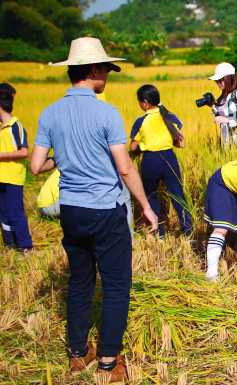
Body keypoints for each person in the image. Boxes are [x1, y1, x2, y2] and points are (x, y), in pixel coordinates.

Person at [30, 37, 158, 384]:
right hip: (105, 210)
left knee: (81, 280)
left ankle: (76, 354)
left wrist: (66, 157)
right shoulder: (106, 113)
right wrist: (146, 206)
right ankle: (108, 361)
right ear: (94, 70)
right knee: (116, 285)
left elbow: (36, 165)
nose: (109, 74)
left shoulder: (49, 113)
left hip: (71, 211)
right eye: (106, 68)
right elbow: (125, 168)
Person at [130, 84, 192, 237]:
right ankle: (188, 229)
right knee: (177, 194)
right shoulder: (169, 116)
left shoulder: (141, 121)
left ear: (144, 102)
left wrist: (139, 148)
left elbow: (132, 147)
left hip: (150, 160)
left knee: (150, 195)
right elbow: (179, 140)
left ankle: (159, 232)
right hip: (169, 158)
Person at [36, 169, 135, 237]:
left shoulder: (69, 164)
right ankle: (129, 236)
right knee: (123, 194)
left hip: (43, 207)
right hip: (54, 206)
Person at [0, 82, 33, 251]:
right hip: (1, 178)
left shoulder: (16, 127)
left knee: (15, 213)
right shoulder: (1, 128)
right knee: (3, 214)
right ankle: (9, 245)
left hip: (13, 178)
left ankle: (25, 246)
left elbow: (23, 152)